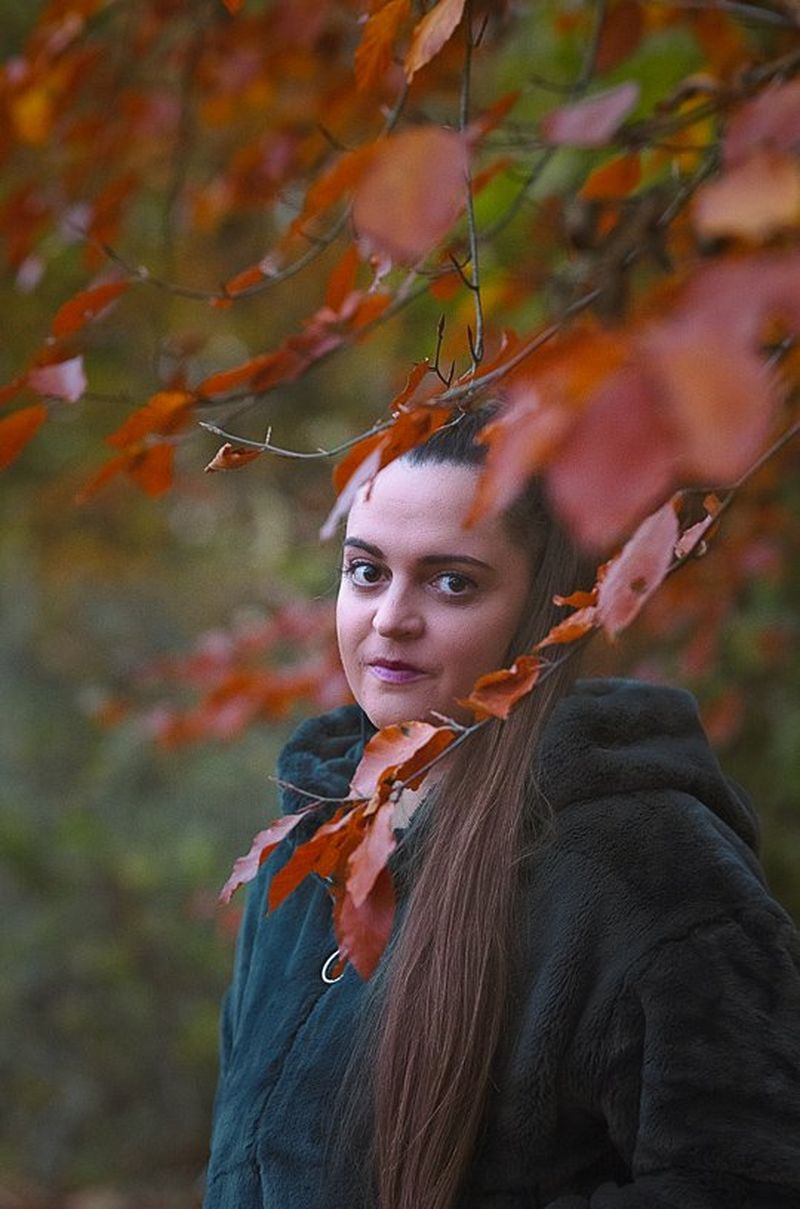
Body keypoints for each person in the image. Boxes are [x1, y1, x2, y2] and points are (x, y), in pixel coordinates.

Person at [202, 408, 800, 1209]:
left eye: (452, 580)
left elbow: (746, 1179)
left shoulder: (647, 868)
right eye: (366, 571)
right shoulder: (307, 845)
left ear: (547, 611)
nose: (390, 619)